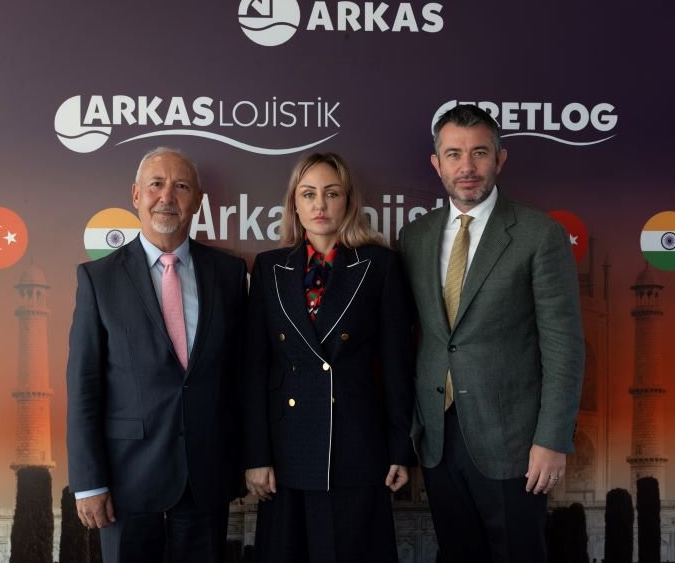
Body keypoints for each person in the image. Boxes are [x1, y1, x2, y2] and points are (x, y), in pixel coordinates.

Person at [398, 104, 585, 562]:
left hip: (514, 441)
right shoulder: (414, 237)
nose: (467, 166)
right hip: (437, 438)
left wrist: (552, 440)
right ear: (436, 163)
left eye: (479, 152)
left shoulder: (540, 235)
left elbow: (563, 346)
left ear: (499, 159)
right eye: (454, 154)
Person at [66, 147, 248, 562]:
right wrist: (89, 482)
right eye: (156, 185)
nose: (167, 196)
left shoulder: (229, 274)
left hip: (207, 478)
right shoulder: (98, 279)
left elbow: (242, 376)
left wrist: (247, 459)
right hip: (126, 482)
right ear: (136, 195)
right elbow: (83, 387)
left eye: (181, 186)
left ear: (197, 200)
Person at [243, 152, 414, 562]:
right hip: (287, 450)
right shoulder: (269, 268)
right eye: (309, 194)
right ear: (294, 203)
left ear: (348, 200)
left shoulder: (379, 265)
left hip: (356, 446)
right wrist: (256, 456)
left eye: (332, 193)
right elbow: (254, 370)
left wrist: (400, 451)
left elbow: (397, 367)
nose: (320, 204)